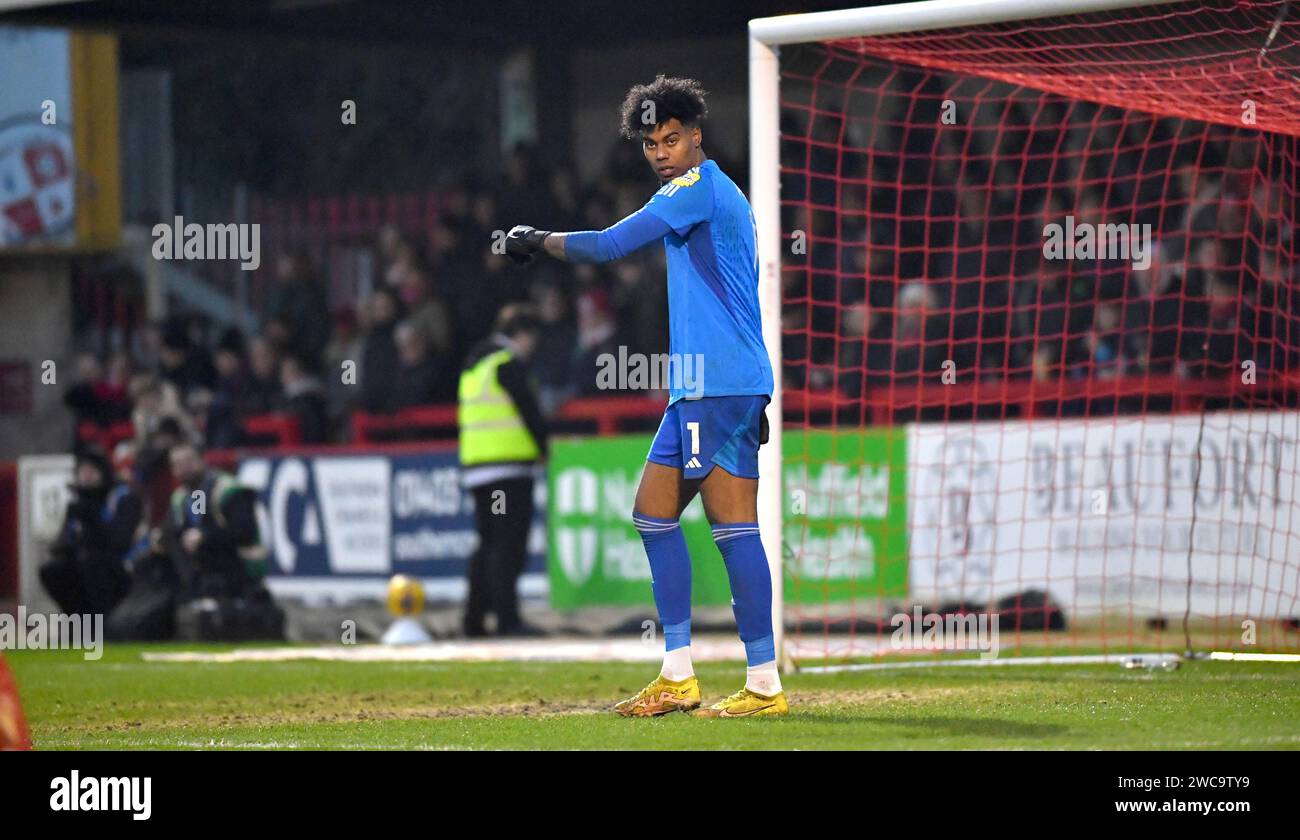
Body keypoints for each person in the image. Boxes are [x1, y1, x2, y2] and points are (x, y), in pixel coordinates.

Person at [501, 76, 785, 717]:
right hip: (719, 384)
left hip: (714, 387)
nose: (662, 152)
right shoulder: (715, 193)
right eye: (651, 143)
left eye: (672, 139)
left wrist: (535, 240)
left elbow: (607, 245)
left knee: (700, 524)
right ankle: (716, 677)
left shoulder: (695, 189)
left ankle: (728, 679)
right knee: (692, 523)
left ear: (697, 137)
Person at [457, 305, 548, 638]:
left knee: (487, 545)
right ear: (521, 335)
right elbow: (529, 410)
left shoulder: (474, 364)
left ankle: (474, 619)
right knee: (509, 547)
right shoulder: (507, 364)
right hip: (508, 468)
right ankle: (508, 619)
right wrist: (544, 447)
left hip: (477, 468)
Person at [161, 442, 282, 641]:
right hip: (200, 569)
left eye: (189, 461)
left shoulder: (229, 490)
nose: (184, 469)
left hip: (238, 566)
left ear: (202, 460)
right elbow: (189, 525)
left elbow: (244, 532)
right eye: (178, 464)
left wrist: (205, 537)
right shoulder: (187, 496)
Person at [40, 446, 144, 617]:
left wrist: (91, 519)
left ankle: (104, 623)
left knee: (92, 563)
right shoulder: (76, 504)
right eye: (83, 470)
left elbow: (119, 543)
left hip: (119, 568)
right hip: (84, 565)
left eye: (92, 470)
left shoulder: (122, 498)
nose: (87, 476)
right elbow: (63, 541)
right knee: (52, 570)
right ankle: (79, 621)